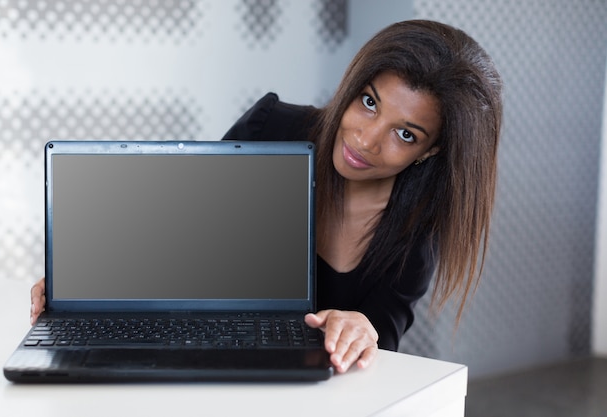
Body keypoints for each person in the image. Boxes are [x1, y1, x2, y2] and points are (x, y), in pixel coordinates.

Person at [30, 20, 503, 374]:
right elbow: (177, 225)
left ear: (431, 150)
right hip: (198, 363)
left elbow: (379, 334)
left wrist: (360, 329)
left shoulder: (413, 232)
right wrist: (97, 277)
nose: (365, 139)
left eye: (404, 133)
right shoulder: (272, 127)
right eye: (369, 102)